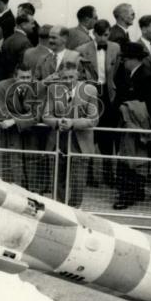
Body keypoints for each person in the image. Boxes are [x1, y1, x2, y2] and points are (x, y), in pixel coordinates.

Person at [41, 59, 99, 207]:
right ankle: (58, 207)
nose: (67, 81)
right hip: (58, 140)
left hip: (80, 142)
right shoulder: (53, 90)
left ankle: (74, 208)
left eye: (71, 77)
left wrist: (73, 123)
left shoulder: (90, 90)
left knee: (78, 180)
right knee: (57, 177)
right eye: (64, 77)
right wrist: (57, 122)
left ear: (77, 75)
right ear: (59, 77)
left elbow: (93, 119)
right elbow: (46, 115)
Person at [111, 43, 151, 209]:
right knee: (132, 158)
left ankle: (127, 195)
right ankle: (135, 191)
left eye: (125, 59)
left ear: (133, 59)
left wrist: (125, 109)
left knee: (130, 159)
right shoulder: (131, 73)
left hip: (134, 125)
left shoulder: (145, 77)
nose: (123, 62)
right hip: (129, 123)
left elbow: (147, 104)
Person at [76, 19, 120, 182]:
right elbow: (78, 73)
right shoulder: (81, 50)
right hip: (90, 93)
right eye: (99, 35)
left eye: (106, 35)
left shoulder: (116, 48)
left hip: (108, 95)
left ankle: (108, 175)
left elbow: (116, 71)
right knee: (88, 133)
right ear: (94, 34)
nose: (103, 39)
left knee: (107, 136)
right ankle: (88, 176)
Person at [0, 64, 43, 188]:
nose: (26, 81)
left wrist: (15, 121)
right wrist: (24, 119)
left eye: (28, 77)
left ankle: (32, 194)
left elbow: (37, 115)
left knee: (31, 165)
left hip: (31, 133)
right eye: (22, 78)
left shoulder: (38, 87)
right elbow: (2, 112)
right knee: (11, 165)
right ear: (14, 77)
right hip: (10, 134)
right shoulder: (2, 87)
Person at [0, 14, 33, 82]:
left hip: (6, 79)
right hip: (18, 80)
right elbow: (24, 66)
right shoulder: (25, 42)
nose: (33, 26)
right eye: (32, 23)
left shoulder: (8, 39)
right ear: (24, 25)